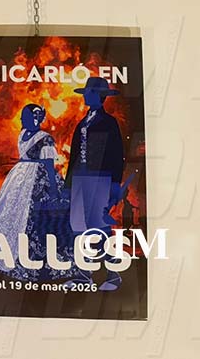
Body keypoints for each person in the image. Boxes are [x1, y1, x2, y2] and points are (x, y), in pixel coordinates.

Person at [0, 103, 74, 281]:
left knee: (41, 219)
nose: (22, 120)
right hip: (20, 177)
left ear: (35, 118)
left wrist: (54, 191)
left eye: (26, 117)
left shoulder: (45, 139)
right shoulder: (23, 133)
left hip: (38, 179)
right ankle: (10, 254)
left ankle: (42, 261)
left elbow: (48, 165)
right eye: (23, 117)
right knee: (12, 214)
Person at [63, 76, 125, 291]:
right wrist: (68, 185)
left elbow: (117, 155)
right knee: (79, 226)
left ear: (98, 96)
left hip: (99, 179)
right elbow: (74, 156)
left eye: (89, 93)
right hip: (81, 179)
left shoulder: (108, 122)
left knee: (99, 227)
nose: (85, 97)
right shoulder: (83, 121)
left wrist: (115, 183)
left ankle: (113, 274)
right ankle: (83, 275)